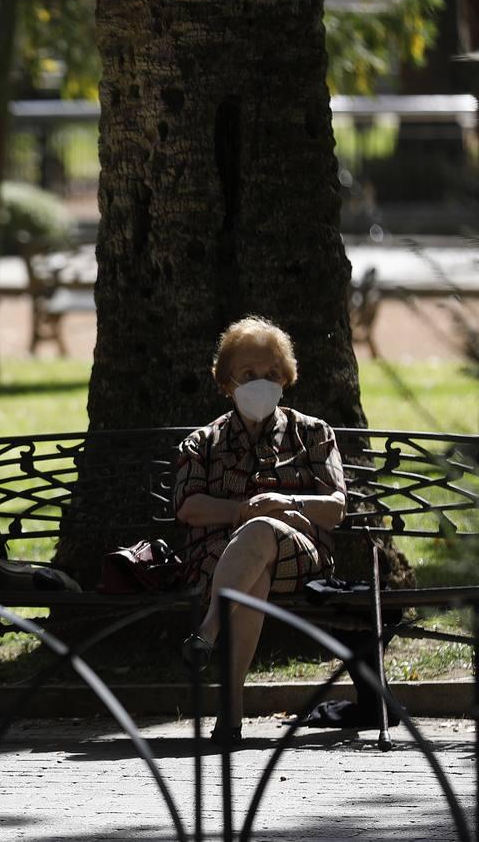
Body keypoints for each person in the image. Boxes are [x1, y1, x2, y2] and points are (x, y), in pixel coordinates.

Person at [172, 316, 347, 742]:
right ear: (226, 383)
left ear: (286, 378)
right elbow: (188, 508)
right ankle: (230, 712)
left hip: (300, 558)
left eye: (271, 374)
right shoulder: (203, 442)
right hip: (216, 558)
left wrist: (285, 504)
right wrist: (240, 511)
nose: (261, 384)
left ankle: (207, 632)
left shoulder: (312, 433)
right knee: (254, 571)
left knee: (263, 532)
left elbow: (336, 507)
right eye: (248, 375)